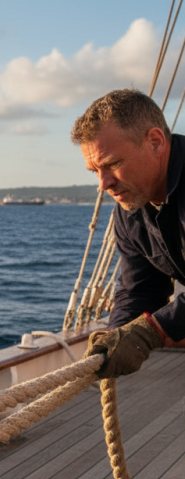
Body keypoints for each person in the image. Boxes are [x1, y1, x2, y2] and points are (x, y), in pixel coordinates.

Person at [71, 88, 185, 378]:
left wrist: (152, 331)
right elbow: (141, 289)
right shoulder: (129, 210)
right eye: (95, 171)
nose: (103, 184)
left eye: (113, 164)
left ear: (156, 142)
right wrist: (115, 334)